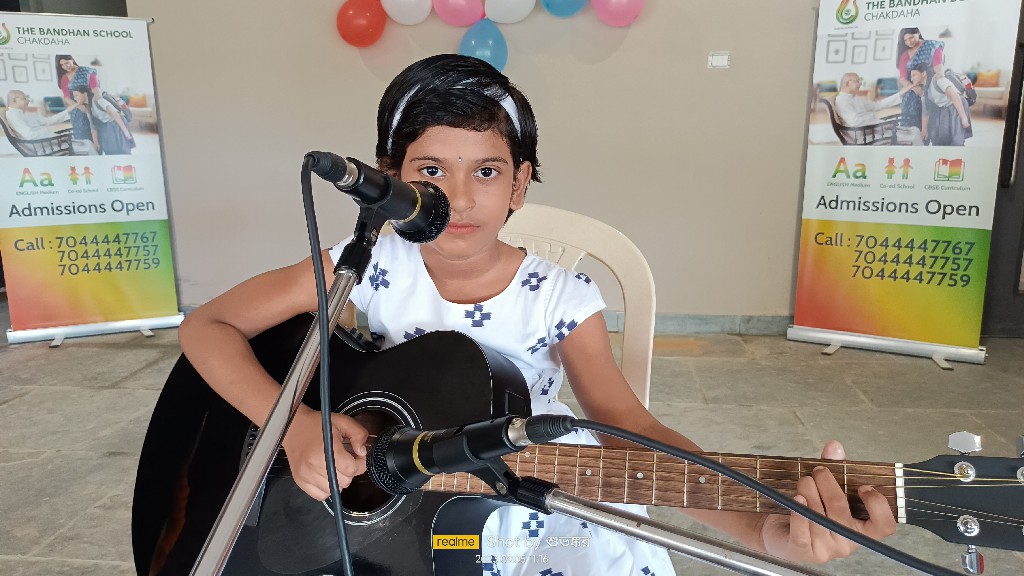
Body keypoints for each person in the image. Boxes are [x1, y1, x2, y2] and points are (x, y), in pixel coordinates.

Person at [178, 54, 896, 575]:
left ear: (520, 184)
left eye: (486, 171)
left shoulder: (562, 298)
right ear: (390, 180)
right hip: (400, 504)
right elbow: (206, 326)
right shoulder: (367, 262)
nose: (459, 198)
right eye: (431, 171)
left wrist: (762, 531)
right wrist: (293, 424)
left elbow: (632, 430)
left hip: (525, 497)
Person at [834, 73, 923, 145]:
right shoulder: (842, 101)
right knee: (913, 135)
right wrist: (882, 124)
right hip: (865, 135)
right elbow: (855, 122)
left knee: (915, 131)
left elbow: (877, 105)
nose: (860, 84)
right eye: (857, 81)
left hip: (872, 130)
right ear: (847, 83)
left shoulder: (855, 98)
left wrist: (899, 94)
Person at [4, 89, 97, 155]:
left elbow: (48, 121)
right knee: (88, 145)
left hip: (48, 141)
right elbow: (30, 135)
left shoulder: (23, 114)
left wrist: (70, 109)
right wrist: (58, 138)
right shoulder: (14, 116)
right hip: (44, 146)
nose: (28, 100)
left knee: (87, 143)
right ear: (14, 100)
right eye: (24, 98)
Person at [911, 62, 972, 146]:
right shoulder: (925, 91)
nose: (912, 79)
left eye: (914, 75)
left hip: (957, 106)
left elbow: (955, 97)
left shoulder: (938, 80)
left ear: (923, 73)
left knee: (955, 141)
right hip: (945, 109)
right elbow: (925, 113)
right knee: (942, 138)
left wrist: (964, 118)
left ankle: (959, 152)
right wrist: (924, 130)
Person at [896, 27, 944, 131]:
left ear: (918, 32)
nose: (909, 42)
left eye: (911, 38)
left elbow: (939, 71)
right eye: (905, 40)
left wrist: (930, 91)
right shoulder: (904, 55)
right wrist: (916, 89)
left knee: (930, 127)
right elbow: (903, 78)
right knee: (910, 129)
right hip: (911, 93)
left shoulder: (932, 47)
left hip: (931, 90)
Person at [70, 86, 134, 155]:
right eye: (74, 96)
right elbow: (93, 127)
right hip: (108, 128)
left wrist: (125, 132)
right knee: (110, 151)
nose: (75, 98)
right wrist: (96, 142)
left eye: (76, 95)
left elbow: (115, 115)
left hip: (118, 125)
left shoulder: (99, 101)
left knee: (123, 151)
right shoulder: (88, 108)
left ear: (85, 94)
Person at [55, 54, 100, 146]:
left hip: (93, 108)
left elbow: (96, 93)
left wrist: (92, 108)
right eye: (62, 65)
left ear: (72, 59)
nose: (65, 66)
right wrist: (80, 106)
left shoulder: (87, 72)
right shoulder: (64, 78)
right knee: (82, 140)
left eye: (67, 63)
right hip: (77, 112)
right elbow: (66, 98)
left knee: (97, 138)